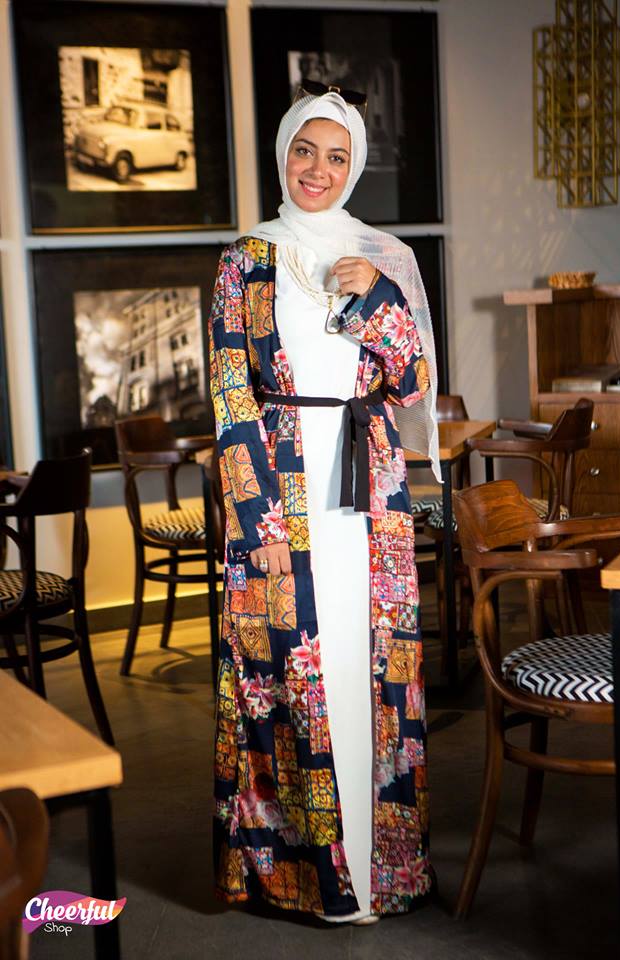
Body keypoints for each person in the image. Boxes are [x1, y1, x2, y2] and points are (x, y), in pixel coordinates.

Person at [209, 86, 440, 924]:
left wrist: (377, 297)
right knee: (285, 678)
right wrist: (258, 521)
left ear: (356, 166)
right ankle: (311, 876)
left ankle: (385, 872)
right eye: (305, 151)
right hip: (282, 493)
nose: (318, 169)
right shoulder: (246, 259)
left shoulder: (382, 257)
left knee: (369, 669)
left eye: (337, 156)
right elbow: (231, 395)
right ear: (282, 155)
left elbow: (411, 383)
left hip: (369, 495)